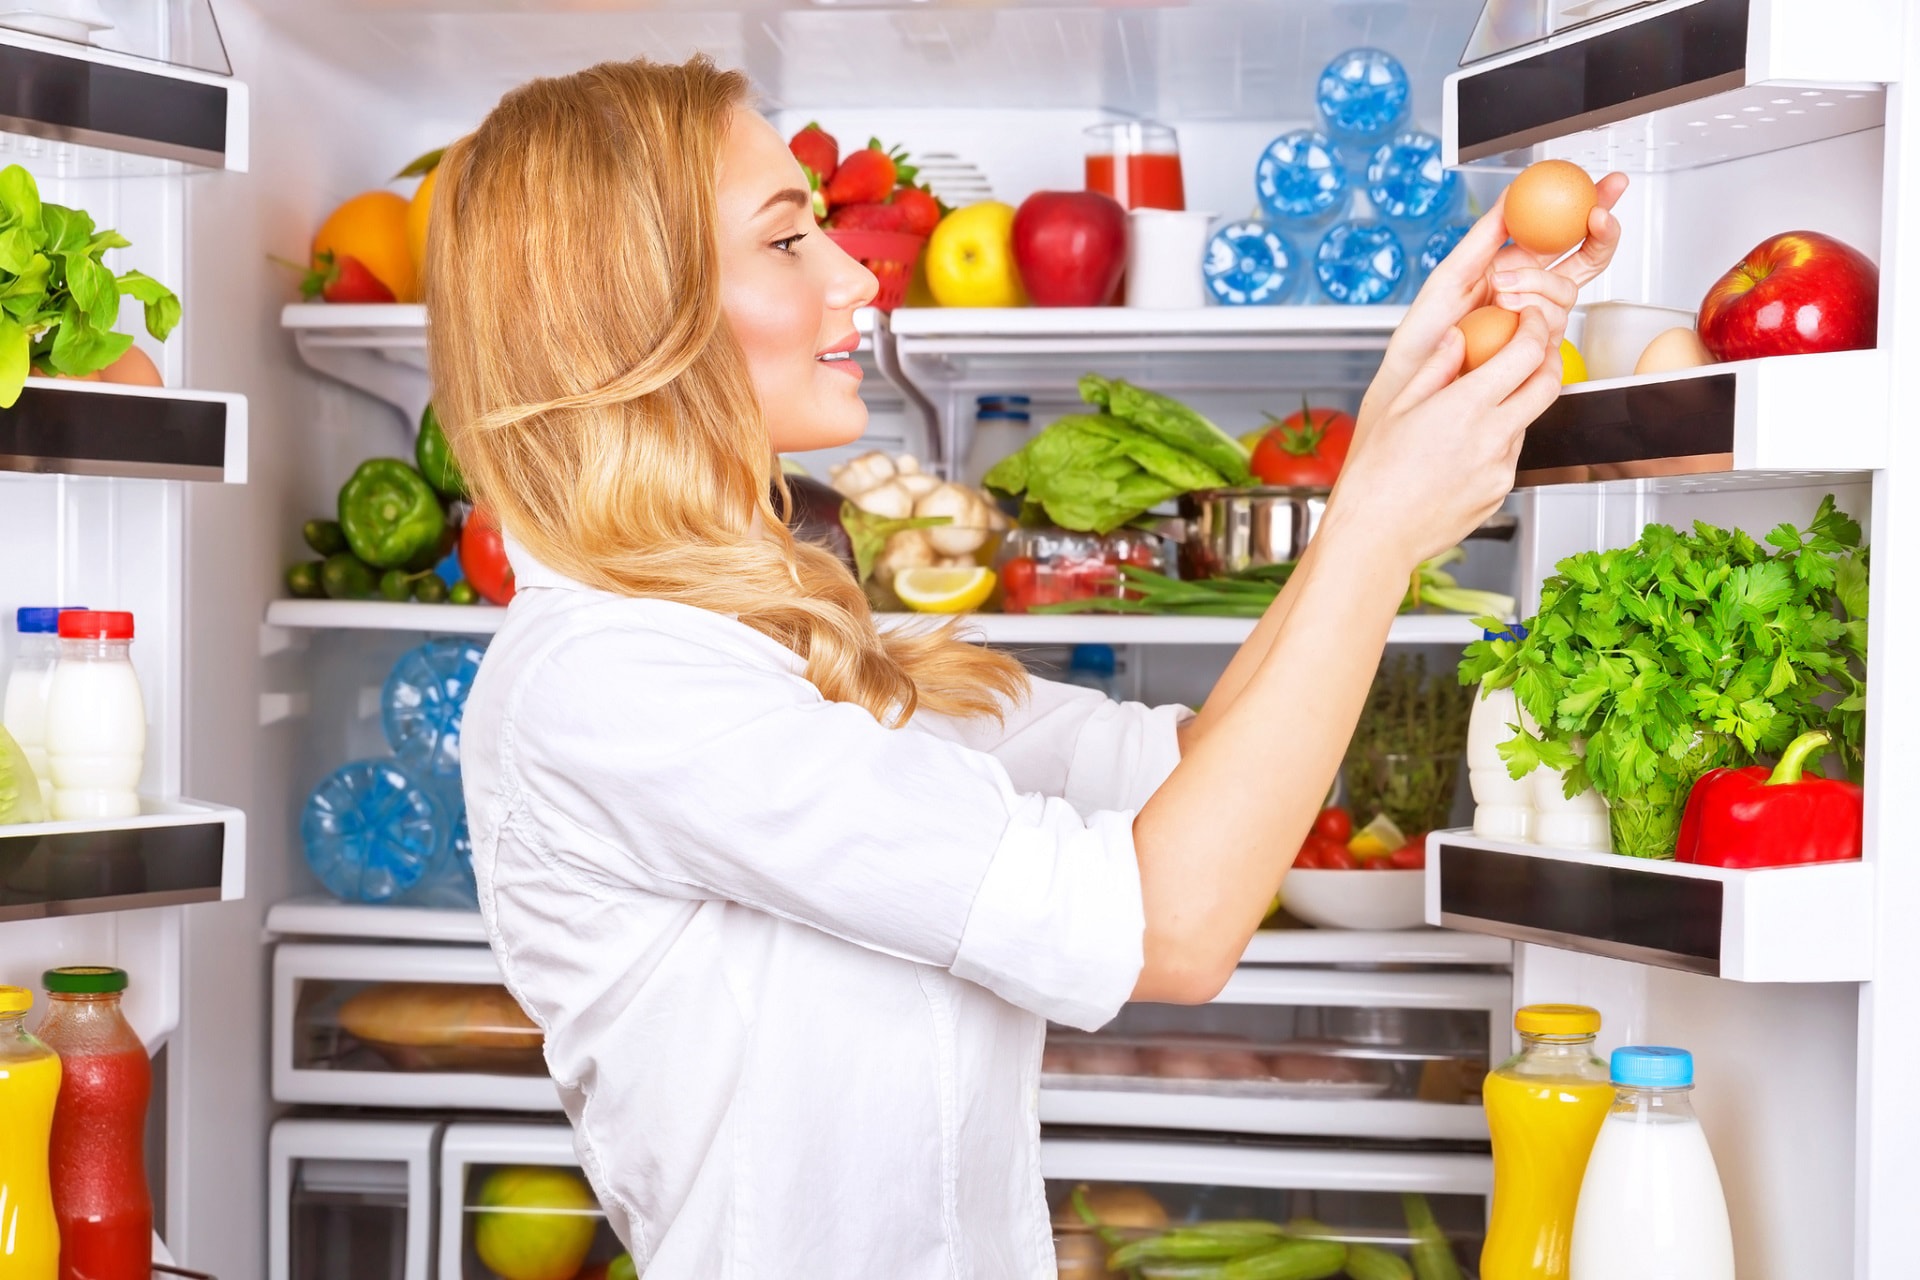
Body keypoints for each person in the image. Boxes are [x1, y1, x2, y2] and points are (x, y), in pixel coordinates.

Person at [427, 56, 1624, 1280]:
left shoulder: (773, 640)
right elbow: (1176, 926)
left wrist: (1383, 438)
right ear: (634, 317)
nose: (856, 273)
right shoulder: (618, 685)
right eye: (788, 241)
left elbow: (1192, 776)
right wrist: (1373, 530)